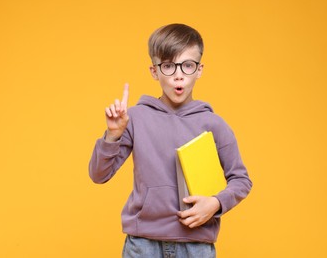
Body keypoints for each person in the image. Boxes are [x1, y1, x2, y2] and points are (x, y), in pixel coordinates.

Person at [89, 23, 252, 258]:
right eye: (168, 66)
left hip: (197, 247)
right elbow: (98, 175)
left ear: (199, 70)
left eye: (187, 65)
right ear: (154, 71)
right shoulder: (135, 118)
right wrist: (112, 135)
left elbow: (241, 180)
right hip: (143, 244)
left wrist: (215, 203)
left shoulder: (214, 124)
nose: (178, 74)